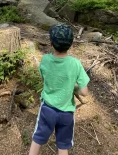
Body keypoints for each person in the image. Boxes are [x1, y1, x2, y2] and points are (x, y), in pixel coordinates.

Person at [29, 24, 90, 155]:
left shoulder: (45, 60)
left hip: (47, 109)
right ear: (71, 43)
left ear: (51, 43)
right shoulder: (75, 64)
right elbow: (84, 92)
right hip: (67, 113)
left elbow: (46, 79)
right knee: (63, 146)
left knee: (38, 138)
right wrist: (73, 88)